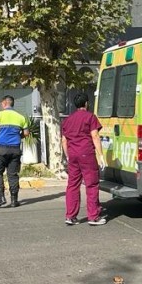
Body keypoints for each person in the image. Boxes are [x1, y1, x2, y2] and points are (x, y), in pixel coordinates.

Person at [61, 93, 107, 226]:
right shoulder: (90, 117)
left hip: (73, 154)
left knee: (72, 184)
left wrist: (68, 155)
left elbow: (64, 140)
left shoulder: (68, 119)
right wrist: (101, 155)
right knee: (91, 184)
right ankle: (93, 217)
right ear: (86, 103)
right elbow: (95, 136)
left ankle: (70, 216)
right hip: (86, 153)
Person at [0, 95, 29, 208]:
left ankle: (1, 197)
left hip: (1, 149)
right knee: (13, 175)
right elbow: (26, 133)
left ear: (4, 103)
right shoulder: (21, 117)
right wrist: (17, 137)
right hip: (15, 149)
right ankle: (14, 201)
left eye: (1, 104)